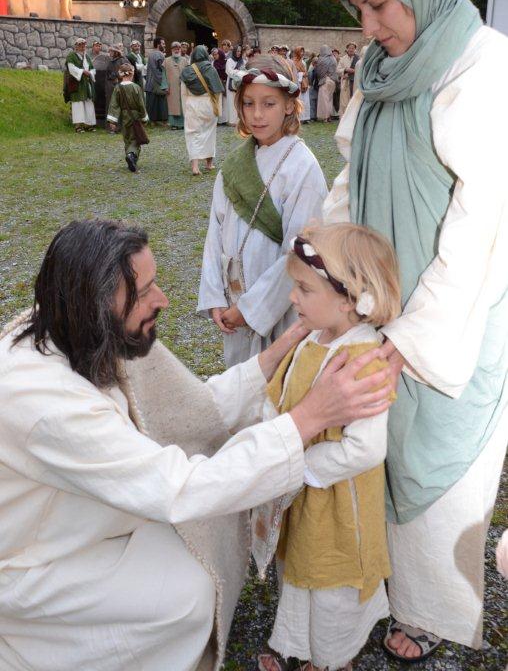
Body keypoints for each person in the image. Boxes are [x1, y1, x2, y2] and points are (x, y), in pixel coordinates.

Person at [0, 218, 392, 671]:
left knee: (211, 520)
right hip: (34, 563)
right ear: (98, 304)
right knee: (186, 593)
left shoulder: (77, 326)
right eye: (144, 291)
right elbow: (180, 489)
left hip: (86, 520)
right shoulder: (48, 405)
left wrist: (271, 360)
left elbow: (187, 409)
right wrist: (309, 419)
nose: (162, 300)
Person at [323, 0, 508, 662]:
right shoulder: (377, 73)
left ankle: (432, 611)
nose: (369, 28)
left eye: (378, 5)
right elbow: (351, 174)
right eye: (358, 11)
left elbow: (481, 222)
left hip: (453, 311)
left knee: (440, 466)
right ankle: (383, 588)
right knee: (380, 449)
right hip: (380, 297)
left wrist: (415, 333)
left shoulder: (485, 67)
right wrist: (323, 259)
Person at [255, 222, 400, 671]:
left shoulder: (364, 360)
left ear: (349, 298)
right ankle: (306, 648)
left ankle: (333, 658)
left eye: (303, 288)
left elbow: (365, 449)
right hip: (302, 493)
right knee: (301, 569)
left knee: (329, 585)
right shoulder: (312, 338)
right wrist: (269, 436)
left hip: (336, 502)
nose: (292, 297)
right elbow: (279, 392)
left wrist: (299, 465)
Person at [197, 54, 328, 368]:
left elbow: (300, 251)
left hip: (279, 308)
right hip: (233, 300)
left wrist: (251, 309)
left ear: (289, 105)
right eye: (248, 103)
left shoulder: (302, 167)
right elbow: (215, 234)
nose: (257, 115)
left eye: (269, 104)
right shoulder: (234, 167)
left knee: (277, 380)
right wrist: (216, 296)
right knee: (241, 381)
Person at [180, 44, 224, 176]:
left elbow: (183, 93)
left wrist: (185, 110)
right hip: (208, 103)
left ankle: (195, 167)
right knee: (210, 133)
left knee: (192, 134)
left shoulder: (186, 71)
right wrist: (218, 109)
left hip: (192, 103)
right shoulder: (211, 69)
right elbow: (217, 92)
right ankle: (209, 164)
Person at [106, 62, 149, 173]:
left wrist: (112, 121)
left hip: (124, 117)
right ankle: (132, 156)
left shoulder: (117, 88)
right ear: (132, 73)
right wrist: (144, 117)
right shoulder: (136, 87)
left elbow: (114, 104)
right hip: (136, 117)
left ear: (121, 74)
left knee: (127, 138)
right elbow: (141, 104)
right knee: (136, 138)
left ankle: (130, 156)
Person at [64, 38, 96, 133]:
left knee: (88, 102)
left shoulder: (87, 57)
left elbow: (92, 68)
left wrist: (90, 73)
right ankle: (78, 126)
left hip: (87, 83)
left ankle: (89, 124)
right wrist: (82, 72)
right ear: (76, 46)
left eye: (84, 45)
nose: (82, 47)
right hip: (77, 84)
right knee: (78, 104)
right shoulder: (71, 56)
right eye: (80, 45)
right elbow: (71, 68)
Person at [145, 37, 169, 126]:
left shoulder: (152, 54)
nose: (164, 45)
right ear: (158, 45)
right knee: (160, 103)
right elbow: (159, 70)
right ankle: (161, 121)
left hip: (150, 84)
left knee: (153, 104)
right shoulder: (159, 55)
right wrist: (164, 82)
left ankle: (153, 121)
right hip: (155, 83)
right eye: (163, 44)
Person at [105, 44, 128, 133]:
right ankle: (112, 127)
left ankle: (120, 127)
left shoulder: (123, 60)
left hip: (121, 86)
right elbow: (108, 74)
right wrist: (112, 76)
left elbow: (129, 71)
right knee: (112, 106)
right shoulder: (111, 61)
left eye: (111, 51)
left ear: (116, 52)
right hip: (111, 87)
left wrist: (118, 76)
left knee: (120, 106)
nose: (109, 52)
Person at [164, 41, 186, 130]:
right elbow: (163, 75)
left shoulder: (185, 60)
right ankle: (173, 124)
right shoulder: (166, 61)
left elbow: (188, 72)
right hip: (171, 87)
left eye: (178, 49)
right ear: (171, 50)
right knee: (172, 105)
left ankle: (183, 124)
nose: (176, 50)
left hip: (183, 86)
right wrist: (165, 86)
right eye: (175, 49)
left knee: (182, 104)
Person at [314, 45, 338, 122]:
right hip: (333, 81)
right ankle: (329, 116)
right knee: (330, 99)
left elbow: (319, 72)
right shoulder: (333, 59)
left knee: (324, 99)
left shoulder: (322, 59)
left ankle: (325, 117)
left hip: (325, 80)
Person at [225, 43, 245, 125]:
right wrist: (238, 71)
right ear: (234, 51)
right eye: (237, 51)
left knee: (239, 102)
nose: (238, 53)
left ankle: (239, 120)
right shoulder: (229, 60)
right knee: (231, 102)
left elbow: (245, 71)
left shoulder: (243, 61)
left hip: (240, 83)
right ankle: (232, 121)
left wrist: (238, 72)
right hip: (231, 82)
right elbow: (229, 72)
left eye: (240, 51)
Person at [337, 43, 359, 117]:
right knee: (344, 101)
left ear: (355, 49)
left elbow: (362, 70)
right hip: (345, 83)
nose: (351, 50)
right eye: (349, 48)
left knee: (354, 100)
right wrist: (345, 69)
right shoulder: (343, 59)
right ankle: (343, 116)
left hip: (355, 82)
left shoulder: (358, 59)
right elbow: (337, 70)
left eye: (353, 48)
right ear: (347, 49)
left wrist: (354, 71)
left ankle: (353, 117)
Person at [293, 46, 310, 123]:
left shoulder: (303, 62)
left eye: (303, 51)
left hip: (304, 82)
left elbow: (306, 72)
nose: (302, 53)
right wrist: (302, 74)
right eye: (300, 51)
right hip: (298, 83)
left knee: (305, 101)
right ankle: (300, 117)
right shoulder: (294, 62)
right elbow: (294, 73)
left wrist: (305, 74)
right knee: (299, 100)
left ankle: (305, 117)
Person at [212, 47, 228, 124]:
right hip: (217, 84)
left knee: (225, 102)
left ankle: (225, 119)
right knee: (218, 102)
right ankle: (218, 120)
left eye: (216, 54)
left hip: (225, 83)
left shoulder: (226, 62)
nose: (214, 56)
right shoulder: (213, 63)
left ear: (220, 54)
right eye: (213, 55)